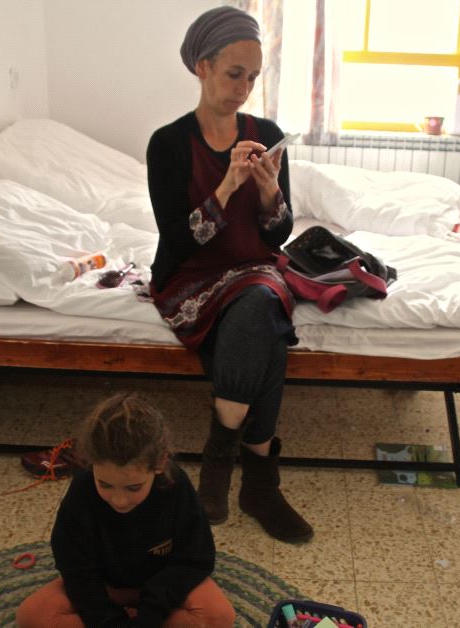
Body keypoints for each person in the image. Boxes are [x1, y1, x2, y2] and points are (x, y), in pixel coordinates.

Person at [146, 6, 312, 544]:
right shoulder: (168, 144)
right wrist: (225, 185)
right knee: (264, 334)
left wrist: (269, 193)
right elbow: (179, 240)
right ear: (202, 67)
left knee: (261, 299)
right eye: (233, 74)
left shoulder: (266, 134)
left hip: (251, 270)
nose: (244, 89)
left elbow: (275, 238)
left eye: (254, 77)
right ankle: (259, 481)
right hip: (190, 277)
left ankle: (218, 465)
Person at [16, 393, 235, 627]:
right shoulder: (82, 487)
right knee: (31, 616)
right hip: (105, 586)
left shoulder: (176, 486)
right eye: (105, 484)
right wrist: (108, 621)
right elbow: (75, 567)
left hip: (162, 585)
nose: (119, 501)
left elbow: (196, 558)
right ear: (90, 463)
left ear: (160, 463)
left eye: (134, 487)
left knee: (219, 616)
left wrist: (150, 615)